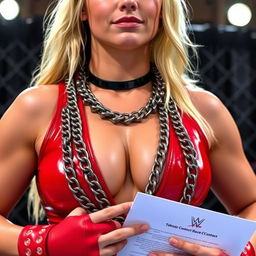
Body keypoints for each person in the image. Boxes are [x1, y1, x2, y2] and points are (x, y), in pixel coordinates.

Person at [0, 0, 255, 255]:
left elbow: (251, 204)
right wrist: (45, 243)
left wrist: (237, 251)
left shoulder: (204, 111)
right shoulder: (35, 108)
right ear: (83, 10)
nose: (129, 2)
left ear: (162, 10)